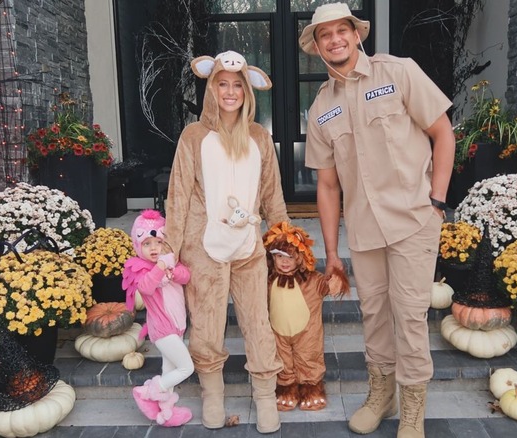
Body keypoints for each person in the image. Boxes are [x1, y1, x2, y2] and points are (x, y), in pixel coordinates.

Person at [299, 3, 456, 438]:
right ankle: (380, 394)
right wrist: (331, 252)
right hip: (365, 230)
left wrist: (437, 200)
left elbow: (442, 132)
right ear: (316, 46)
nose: (334, 39)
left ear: (355, 34)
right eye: (324, 34)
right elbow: (328, 187)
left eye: (340, 30)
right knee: (373, 315)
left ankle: (412, 411)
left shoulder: (398, 72)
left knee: (407, 316)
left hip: (412, 221)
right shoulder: (320, 109)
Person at [164, 50, 290, 434]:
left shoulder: (258, 137)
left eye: (237, 85)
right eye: (223, 84)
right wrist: (169, 249)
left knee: (258, 321)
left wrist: (285, 242)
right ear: (211, 87)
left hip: (248, 247)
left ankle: (265, 396)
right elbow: (179, 194)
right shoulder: (193, 136)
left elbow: (273, 195)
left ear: (248, 90)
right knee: (205, 325)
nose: (230, 91)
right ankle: (212, 395)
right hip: (203, 247)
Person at [262, 221, 349, 412]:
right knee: (282, 360)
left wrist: (336, 278)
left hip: (307, 333)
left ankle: (311, 390)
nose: (284, 262)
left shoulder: (312, 280)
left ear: (301, 258)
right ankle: (286, 390)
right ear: (272, 258)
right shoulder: (267, 280)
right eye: (279, 256)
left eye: (290, 257)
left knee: (309, 357)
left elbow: (329, 287)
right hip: (278, 332)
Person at [122, 209, 193, 427]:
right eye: (147, 244)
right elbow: (146, 287)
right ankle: (149, 391)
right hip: (163, 330)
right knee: (186, 368)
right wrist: (161, 267)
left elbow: (186, 275)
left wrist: (171, 269)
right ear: (137, 246)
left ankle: (166, 413)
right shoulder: (141, 269)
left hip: (177, 326)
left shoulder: (170, 262)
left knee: (169, 370)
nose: (154, 248)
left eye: (158, 242)